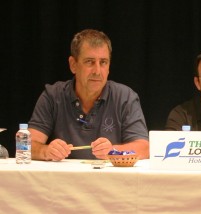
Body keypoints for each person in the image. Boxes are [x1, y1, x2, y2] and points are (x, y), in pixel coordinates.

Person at [28, 29, 149, 161]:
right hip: (63, 180)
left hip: (111, 180)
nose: (97, 71)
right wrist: (46, 151)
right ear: (73, 65)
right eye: (90, 62)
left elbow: (144, 148)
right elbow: (27, 146)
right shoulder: (53, 96)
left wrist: (113, 151)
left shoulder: (125, 97)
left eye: (103, 62)